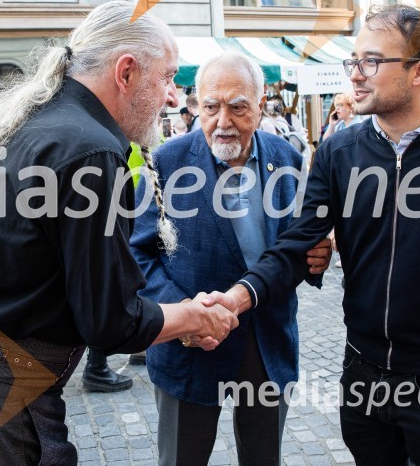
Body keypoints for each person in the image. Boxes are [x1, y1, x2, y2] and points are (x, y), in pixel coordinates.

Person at [206, 4, 420, 466]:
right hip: (363, 371)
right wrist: (236, 298)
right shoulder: (338, 151)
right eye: (353, 60)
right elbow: (297, 245)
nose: (356, 75)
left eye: (372, 62)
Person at [0, 1, 238, 466]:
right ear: (125, 72)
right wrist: (192, 317)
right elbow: (109, 321)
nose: (173, 97)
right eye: (167, 77)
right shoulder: (91, 150)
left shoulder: (44, 120)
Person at [130, 50, 331, 466]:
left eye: (238, 107)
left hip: (266, 340)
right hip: (189, 342)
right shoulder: (167, 161)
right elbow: (138, 252)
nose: (223, 122)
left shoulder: (288, 158)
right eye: (210, 107)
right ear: (195, 106)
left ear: (260, 106)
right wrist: (184, 313)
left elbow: (296, 243)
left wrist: (316, 254)